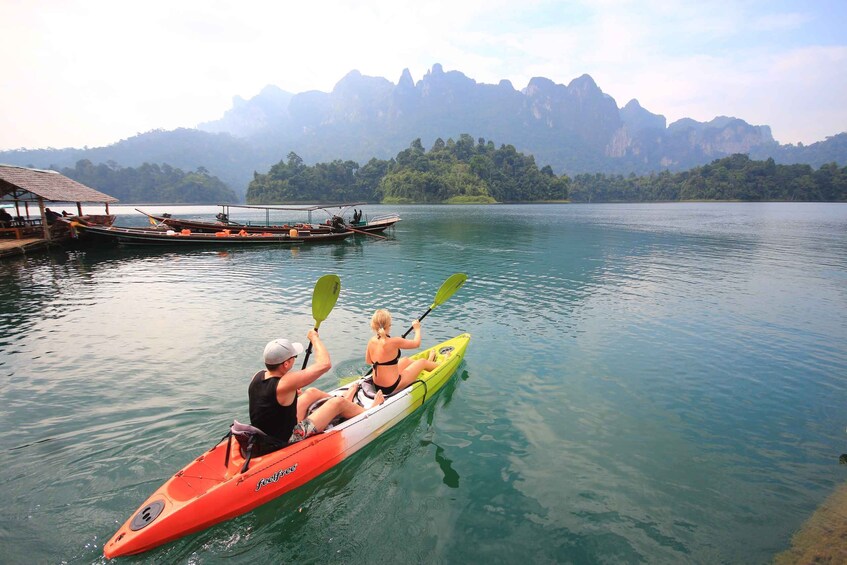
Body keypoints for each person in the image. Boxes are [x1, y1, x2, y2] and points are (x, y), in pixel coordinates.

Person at [249, 329, 382, 447]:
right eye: (294, 357)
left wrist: (291, 393)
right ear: (286, 364)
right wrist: (314, 338)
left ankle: (347, 404)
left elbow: (269, 400)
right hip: (284, 439)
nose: (295, 359)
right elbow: (325, 364)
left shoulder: (258, 375)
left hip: (269, 432)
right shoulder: (285, 383)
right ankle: (369, 410)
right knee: (337, 403)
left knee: (311, 392)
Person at [366, 309, 440, 396]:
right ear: (389, 324)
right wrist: (417, 328)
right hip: (390, 387)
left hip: (377, 385)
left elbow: (369, 361)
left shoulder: (371, 341)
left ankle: (430, 363)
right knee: (422, 362)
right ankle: (440, 364)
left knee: (405, 360)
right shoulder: (394, 341)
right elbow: (416, 344)